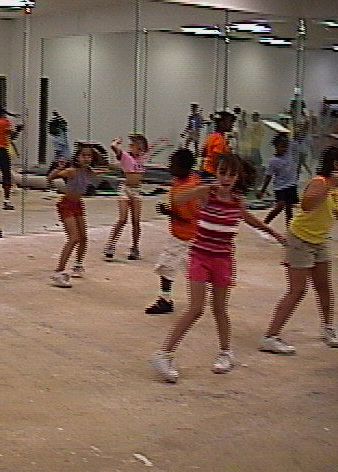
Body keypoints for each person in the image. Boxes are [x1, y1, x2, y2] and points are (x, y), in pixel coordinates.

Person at [153, 154, 286, 383]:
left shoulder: (237, 202)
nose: (226, 178)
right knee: (196, 308)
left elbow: (250, 219)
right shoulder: (207, 193)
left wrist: (274, 233)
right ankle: (164, 354)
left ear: (237, 177)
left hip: (223, 260)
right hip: (200, 257)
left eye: (231, 175)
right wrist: (203, 187)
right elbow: (177, 197)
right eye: (222, 173)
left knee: (219, 309)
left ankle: (226, 352)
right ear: (216, 173)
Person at [260, 146, 338, 354]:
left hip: (320, 239)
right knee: (298, 290)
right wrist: (330, 185)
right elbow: (307, 205)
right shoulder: (321, 182)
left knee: (324, 287)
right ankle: (271, 336)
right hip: (301, 239)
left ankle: (328, 328)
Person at [145, 148, 200, 314]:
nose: (170, 167)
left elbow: (189, 217)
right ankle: (166, 299)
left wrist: (168, 212)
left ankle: (168, 300)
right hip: (181, 234)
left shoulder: (190, 187)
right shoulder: (183, 180)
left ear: (184, 167)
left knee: (170, 266)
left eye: (173, 165)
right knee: (170, 266)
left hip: (187, 237)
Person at [48, 143, 103, 288]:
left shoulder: (88, 172)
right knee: (74, 238)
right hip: (66, 205)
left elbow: (97, 180)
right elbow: (51, 177)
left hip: (78, 204)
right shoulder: (72, 171)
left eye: (89, 156)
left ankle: (78, 265)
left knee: (83, 237)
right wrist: (59, 167)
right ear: (77, 158)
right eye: (83, 156)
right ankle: (58, 272)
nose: (86, 158)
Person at [104, 134, 150, 261]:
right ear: (131, 146)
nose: (139, 151)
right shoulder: (125, 156)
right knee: (122, 219)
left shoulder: (144, 158)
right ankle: (110, 245)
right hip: (125, 189)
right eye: (137, 147)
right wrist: (116, 142)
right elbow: (113, 147)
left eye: (142, 149)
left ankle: (135, 248)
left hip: (137, 191)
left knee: (136, 221)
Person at [255, 133, 298, 227]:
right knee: (280, 206)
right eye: (282, 147)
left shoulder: (289, 154)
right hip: (280, 187)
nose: (284, 149)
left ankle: (289, 228)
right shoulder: (273, 161)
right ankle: (264, 224)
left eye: (286, 147)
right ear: (276, 147)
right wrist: (262, 190)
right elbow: (269, 176)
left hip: (291, 185)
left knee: (289, 209)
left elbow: (297, 136)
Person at [44, 111, 71, 200]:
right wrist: (58, 116)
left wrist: (55, 162)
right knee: (66, 178)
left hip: (62, 159)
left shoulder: (58, 138)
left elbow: (58, 152)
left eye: (50, 128)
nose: (49, 131)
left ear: (55, 128)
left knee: (49, 175)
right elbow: (64, 123)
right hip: (68, 158)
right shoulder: (63, 132)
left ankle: (52, 191)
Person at [201, 110, 235, 177]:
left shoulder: (211, 136)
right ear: (221, 123)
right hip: (213, 174)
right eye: (230, 121)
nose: (232, 124)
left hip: (206, 171)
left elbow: (203, 153)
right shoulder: (219, 138)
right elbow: (216, 159)